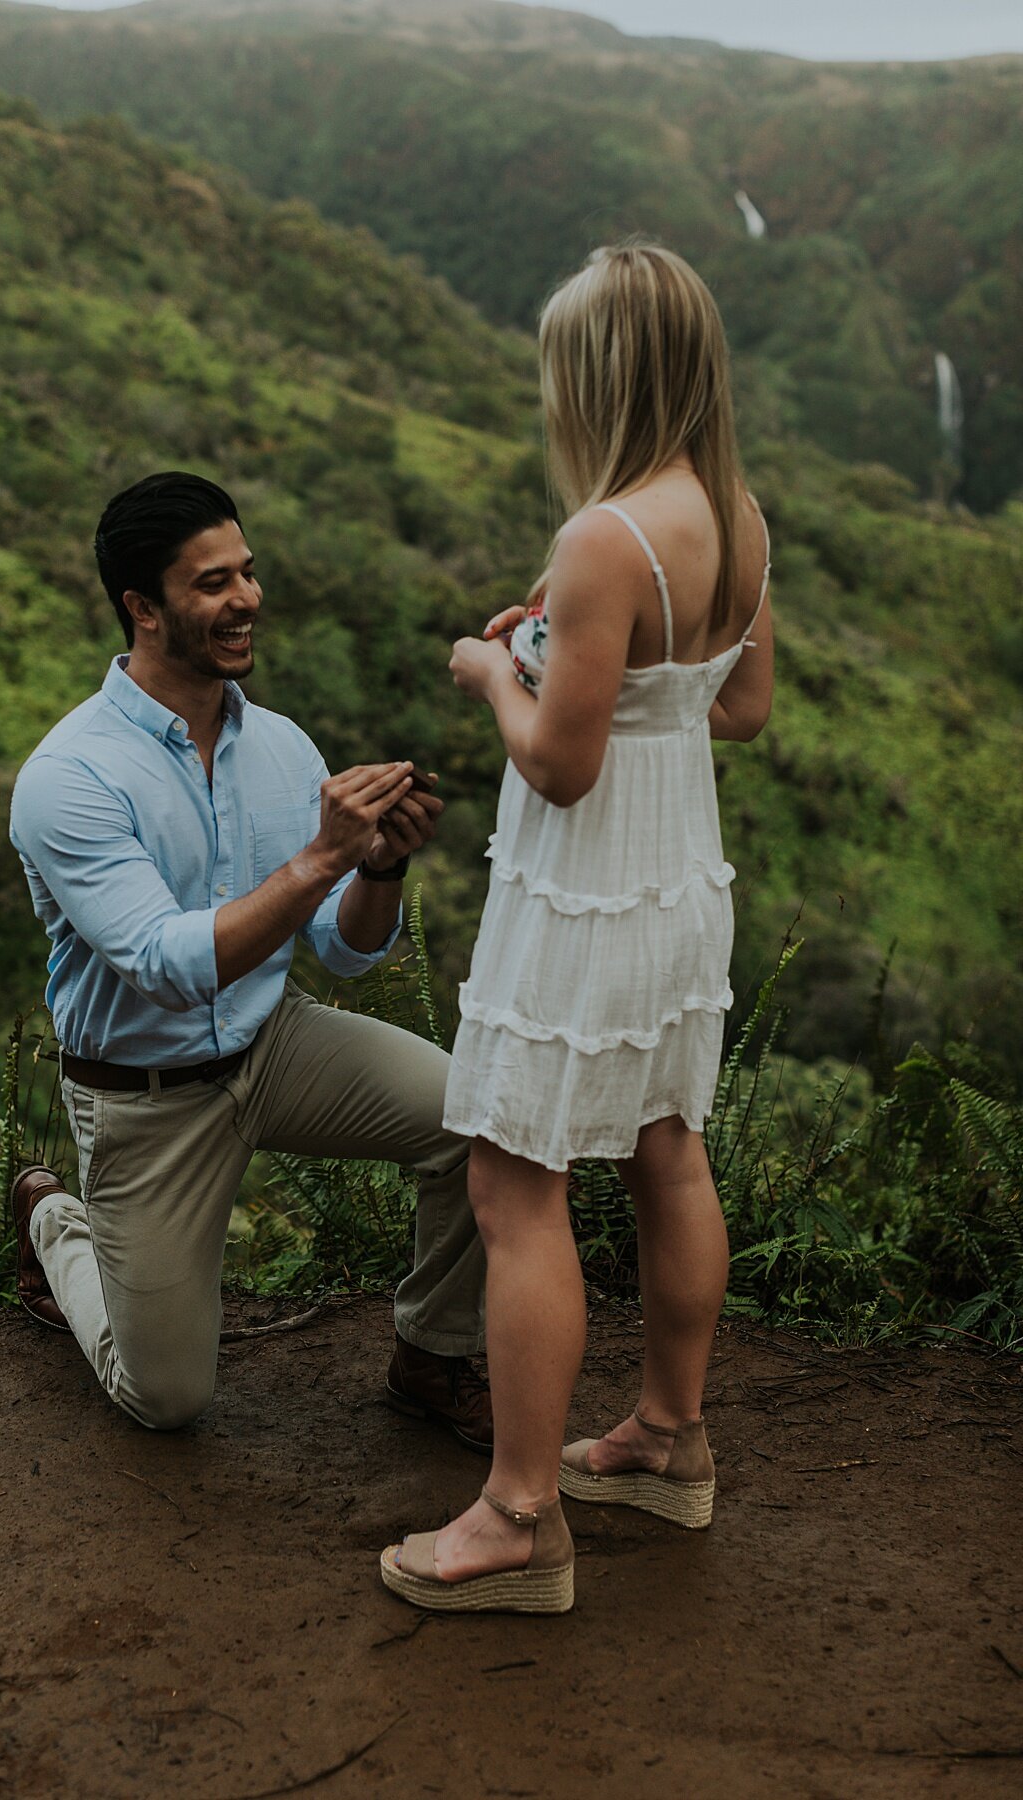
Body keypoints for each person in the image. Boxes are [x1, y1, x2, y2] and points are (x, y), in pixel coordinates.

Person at [380, 242, 774, 1614]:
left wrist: (500, 668)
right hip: (680, 883)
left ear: (601, 374)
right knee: (669, 1148)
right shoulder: (738, 514)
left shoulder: (602, 535)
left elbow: (557, 765)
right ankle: (669, 1438)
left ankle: (518, 1516)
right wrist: (570, 652)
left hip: (583, 892)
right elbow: (733, 708)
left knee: (512, 1183)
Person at [8, 471, 491, 1446]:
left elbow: (346, 956)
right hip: (147, 1098)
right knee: (167, 1400)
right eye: (213, 583)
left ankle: (431, 1356)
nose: (247, 601)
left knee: (478, 1122)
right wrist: (322, 855)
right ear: (143, 609)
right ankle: (52, 1223)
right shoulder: (70, 777)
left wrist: (379, 869)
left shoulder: (278, 747)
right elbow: (165, 963)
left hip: (276, 1046)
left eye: (249, 573)